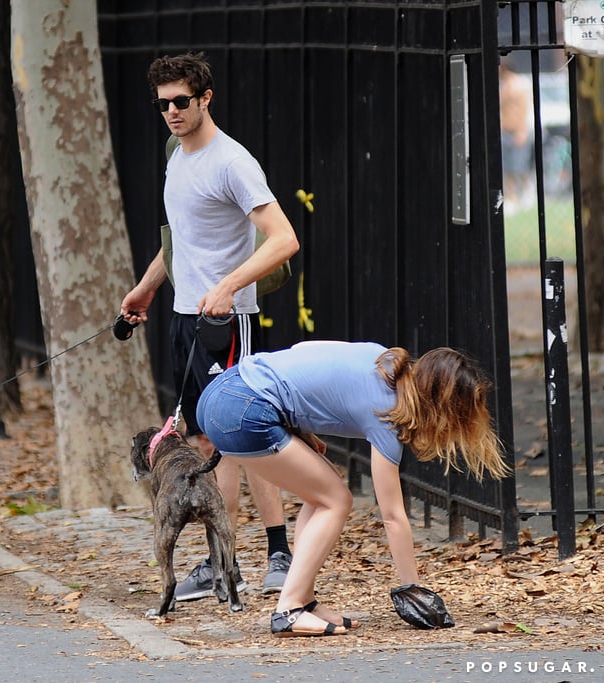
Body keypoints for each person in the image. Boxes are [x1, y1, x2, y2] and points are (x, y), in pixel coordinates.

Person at [120, 52, 300, 600]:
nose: (172, 112)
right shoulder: (177, 156)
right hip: (184, 318)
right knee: (204, 439)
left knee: (243, 436)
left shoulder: (232, 162)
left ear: (205, 99)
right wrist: (149, 283)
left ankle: (278, 554)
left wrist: (228, 287)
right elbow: (182, 238)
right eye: (163, 104)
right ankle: (225, 565)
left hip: (229, 321)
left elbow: (284, 238)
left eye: (181, 101)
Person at [196, 341, 511, 636]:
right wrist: (413, 589)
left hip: (223, 391)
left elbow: (306, 352)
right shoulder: (386, 413)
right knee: (336, 500)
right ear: (441, 405)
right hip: (243, 410)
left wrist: (299, 427)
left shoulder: (384, 360)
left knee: (320, 496)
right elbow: (393, 516)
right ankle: (289, 609)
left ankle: (303, 600)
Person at [499, 60, 534, 213]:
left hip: (518, 131)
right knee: (507, 168)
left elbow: (524, 110)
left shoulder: (519, 85)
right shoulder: (503, 86)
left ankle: (527, 192)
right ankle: (511, 197)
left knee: (519, 166)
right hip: (505, 131)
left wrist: (522, 131)